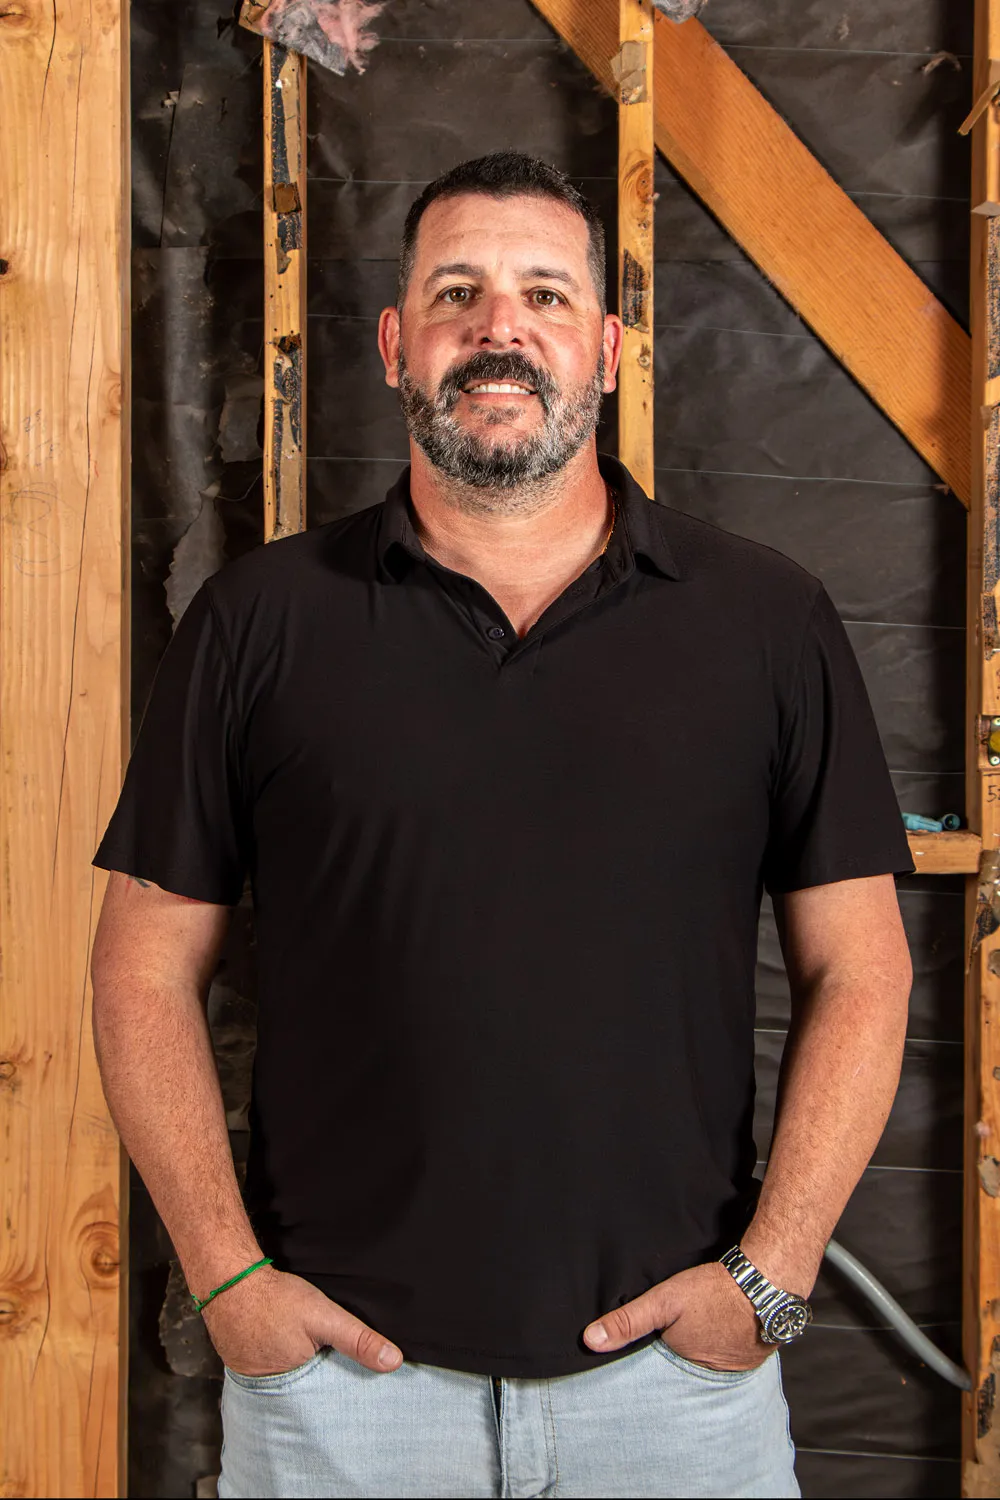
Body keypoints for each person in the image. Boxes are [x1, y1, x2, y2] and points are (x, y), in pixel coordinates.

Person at [91, 151, 915, 1499]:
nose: (499, 324)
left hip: (675, 1399)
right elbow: (139, 970)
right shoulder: (260, 623)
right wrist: (230, 1284)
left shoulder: (765, 621)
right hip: (343, 1401)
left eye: (542, 292)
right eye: (457, 291)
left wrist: (770, 1277)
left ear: (602, 341)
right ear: (395, 342)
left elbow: (865, 969)